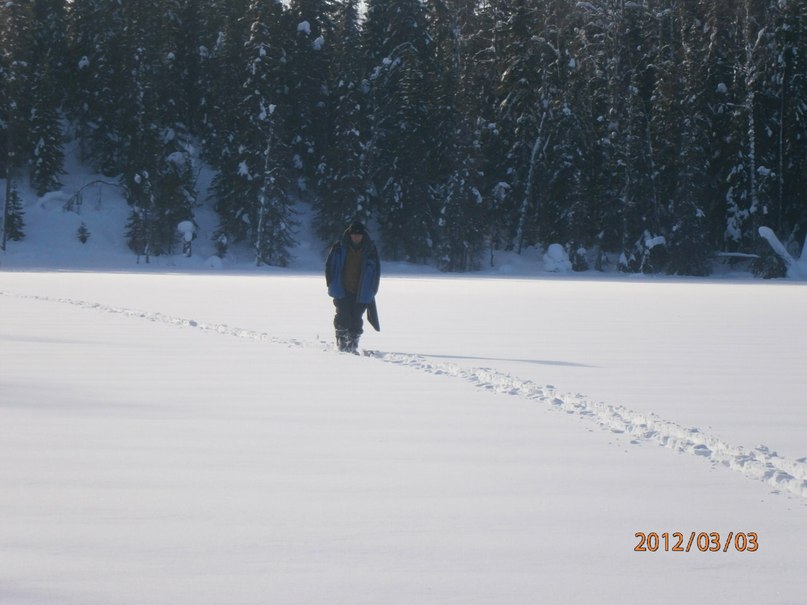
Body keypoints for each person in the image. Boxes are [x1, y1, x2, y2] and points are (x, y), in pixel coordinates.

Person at [325, 220, 381, 353]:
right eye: (354, 234)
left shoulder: (370, 250)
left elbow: (376, 272)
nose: (356, 236)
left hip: (362, 291)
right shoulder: (339, 247)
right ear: (349, 235)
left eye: (359, 234)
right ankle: (341, 342)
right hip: (341, 289)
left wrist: (373, 290)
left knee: (356, 318)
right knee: (343, 316)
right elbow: (329, 267)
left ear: (363, 235)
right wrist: (330, 283)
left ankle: (353, 343)